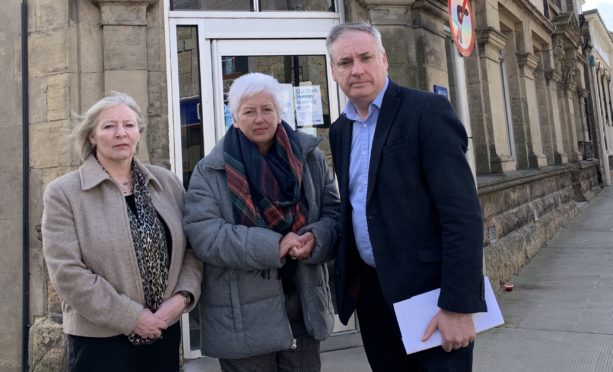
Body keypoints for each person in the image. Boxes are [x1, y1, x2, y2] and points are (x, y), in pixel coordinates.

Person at [326, 22, 486, 371]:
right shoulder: (340, 131)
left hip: (431, 299)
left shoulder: (426, 112)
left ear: (384, 59)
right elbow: (357, 208)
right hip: (373, 298)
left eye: (365, 57)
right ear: (334, 71)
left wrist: (458, 304)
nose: (356, 69)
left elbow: (463, 215)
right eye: (344, 62)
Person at [183, 72, 340, 372]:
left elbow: (334, 215)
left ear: (280, 113)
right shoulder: (210, 170)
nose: (259, 118)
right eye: (249, 111)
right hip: (241, 318)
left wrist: (316, 238)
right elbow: (206, 235)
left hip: (302, 307)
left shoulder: (310, 159)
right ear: (235, 117)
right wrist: (275, 246)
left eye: (267, 109)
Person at [42, 92, 203, 372]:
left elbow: (191, 249)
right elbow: (67, 273)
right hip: (100, 341)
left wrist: (182, 298)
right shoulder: (65, 193)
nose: (121, 133)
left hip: (163, 332)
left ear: (138, 134)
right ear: (92, 136)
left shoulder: (167, 183)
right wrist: (133, 317)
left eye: (128, 125)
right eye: (109, 126)